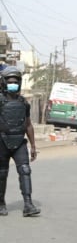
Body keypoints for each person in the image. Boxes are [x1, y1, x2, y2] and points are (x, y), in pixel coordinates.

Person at [0, 66, 41, 217]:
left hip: (19, 142)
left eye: (16, 82)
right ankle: (1, 203)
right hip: (2, 141)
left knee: (25, 170)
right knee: (1, 174)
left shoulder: (24, 103)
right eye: (10, 81)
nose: (13, 84)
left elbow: (28, 125)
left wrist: (33, 146)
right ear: (3, 82)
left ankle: (28, 204)